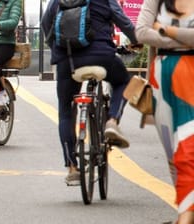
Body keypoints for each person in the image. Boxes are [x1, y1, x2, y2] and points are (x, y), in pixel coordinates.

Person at [41, 0, 139, 185]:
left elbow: (47, 26)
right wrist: (136, 40)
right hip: (102, 55)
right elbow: (124, 22)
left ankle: (72, 167)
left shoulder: (57, 1)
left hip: (67, 60)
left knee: (65, 110)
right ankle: (112, 120)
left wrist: (57, 48)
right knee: (123, 81)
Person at [135, 0, 194, 223]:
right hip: (161, 79)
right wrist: (181, 37)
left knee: (187, 148)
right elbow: (141, 32)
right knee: (172, 152)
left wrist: (165, 30)